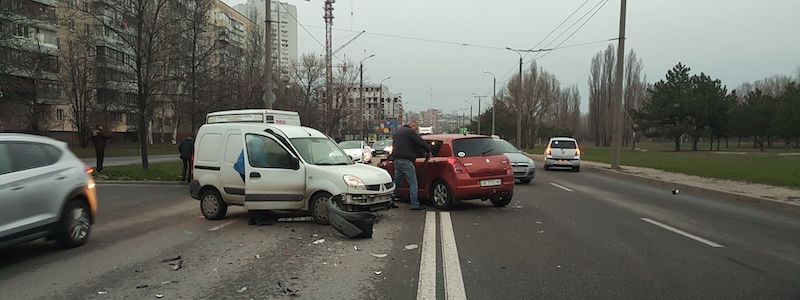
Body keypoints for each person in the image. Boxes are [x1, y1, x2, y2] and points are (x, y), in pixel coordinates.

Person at [390, 121, 432, 210]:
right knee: (413, 182)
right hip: (406, 160)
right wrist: (429, 149)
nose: (416, 131)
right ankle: (415, 204)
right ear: (412, 126)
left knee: (396, 182)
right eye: (416, 129)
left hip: (397, 160)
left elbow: (406, 145)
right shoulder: (410, 132)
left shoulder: (398, 132)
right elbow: (420, 142)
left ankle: (390, 200)